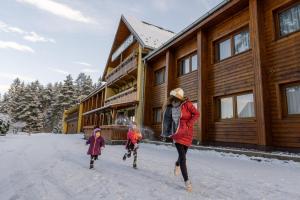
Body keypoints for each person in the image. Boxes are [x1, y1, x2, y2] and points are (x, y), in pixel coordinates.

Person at [161, 88, 199, 192]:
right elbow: (167, 121)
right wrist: (166, 132)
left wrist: (188, 123)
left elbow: (196, 114)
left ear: (180, 96)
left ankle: (177, 164)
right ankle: (187, 181)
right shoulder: (170, 106)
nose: (174, 97)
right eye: (173, 95)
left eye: (176, 95)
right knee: (183, 157)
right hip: (177, 133)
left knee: (183, 156)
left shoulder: (187, 104)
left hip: (187, 133)